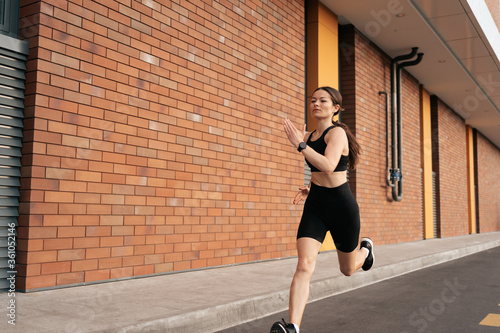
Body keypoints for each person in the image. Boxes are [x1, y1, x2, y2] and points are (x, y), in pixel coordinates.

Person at [270, 87, 374, 333]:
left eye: (322, 100)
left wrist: (300, 145)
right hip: (316, 206)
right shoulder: (308, 135)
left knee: (347, 270)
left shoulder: (336, 133)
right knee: (304, 265)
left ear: (335, 108)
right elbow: (318, 172)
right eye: (313, 100)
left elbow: (328, 165)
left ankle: (366, 250)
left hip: (342, 208)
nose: (316, 103)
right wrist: (310, 188)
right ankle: (293, 327)